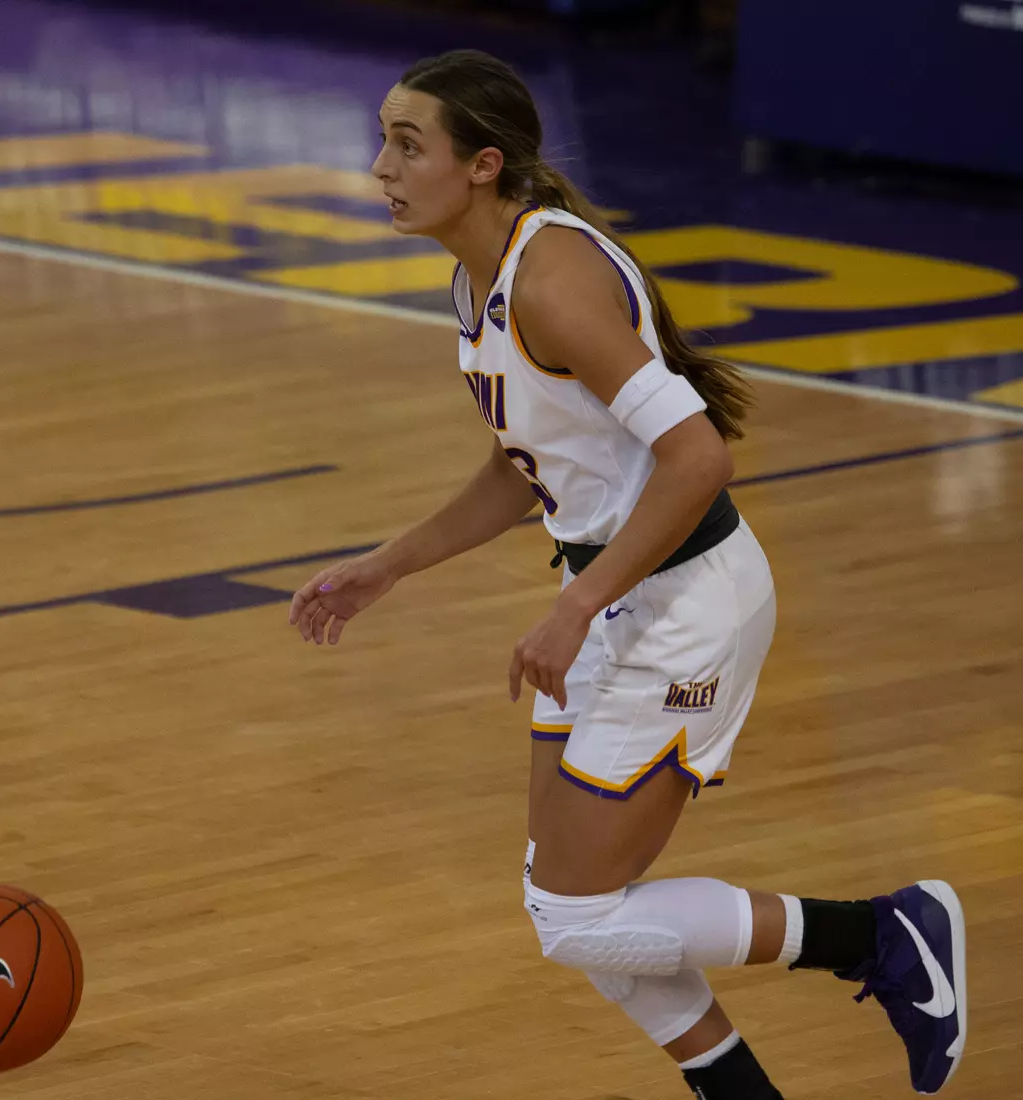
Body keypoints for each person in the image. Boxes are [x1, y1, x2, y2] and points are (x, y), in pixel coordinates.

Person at [287, 49, 966, 1099]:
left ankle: (885, 932)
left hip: (687, 599)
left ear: (483, 164)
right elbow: (532, 466)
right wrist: (388, 566)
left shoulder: (552, 282)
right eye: (383, 139)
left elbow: (699, 457)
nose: (380, 164)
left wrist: (575, 602)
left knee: (577, 915)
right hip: (622, 598)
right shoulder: (482, 273)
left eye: (406, 143)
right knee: (578, 912)